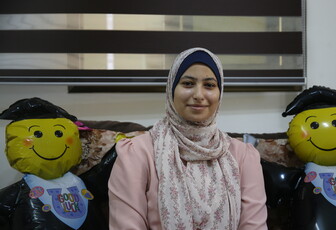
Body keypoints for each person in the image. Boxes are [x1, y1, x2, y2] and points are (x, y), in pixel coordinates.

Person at [108, 47, 268, 230]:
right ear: (171, 90)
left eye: (209, 85)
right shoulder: (137, 153)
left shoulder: (243, 156)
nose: (198, 95)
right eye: (188, 83)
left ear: (220, 93)